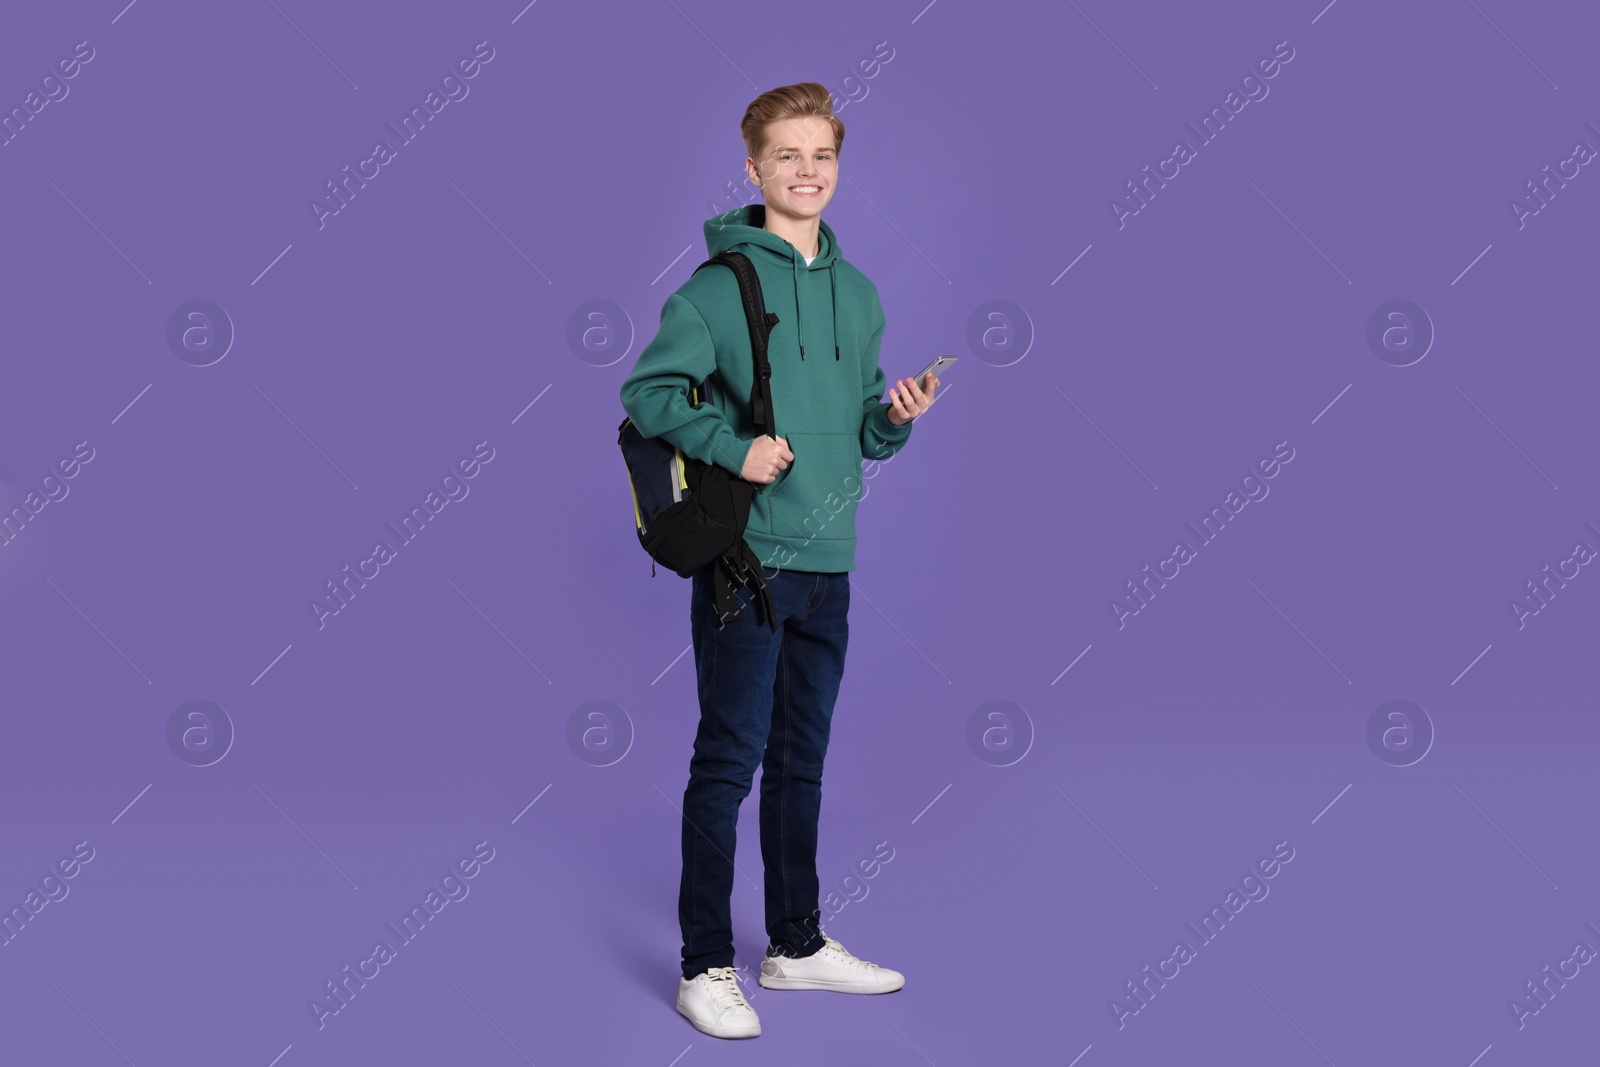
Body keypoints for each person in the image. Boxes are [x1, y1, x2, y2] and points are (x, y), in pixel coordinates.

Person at [618, 81, 938, 1039]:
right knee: (729, 761)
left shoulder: (861, 291)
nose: (808, 171)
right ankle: (703, 964)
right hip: (748, 560)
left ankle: (793, 946)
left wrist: (893, 418)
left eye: (823, 156)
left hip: (830, 561)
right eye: (788, 155)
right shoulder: (716, 289)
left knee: (803, 764)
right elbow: (649, 392)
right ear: (754, 168)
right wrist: (732, 447)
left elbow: (862, 431)